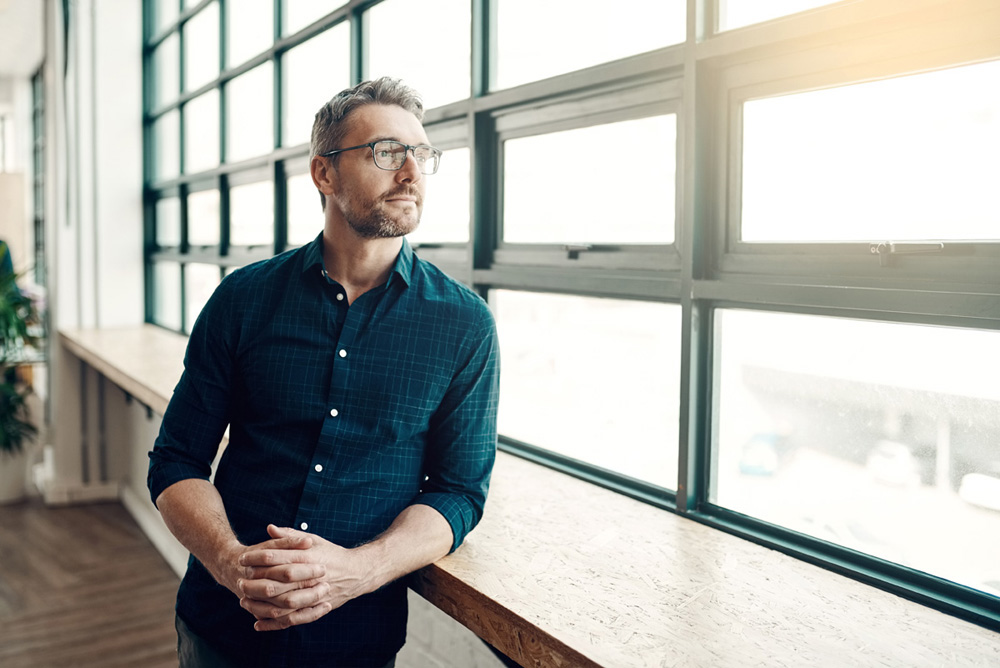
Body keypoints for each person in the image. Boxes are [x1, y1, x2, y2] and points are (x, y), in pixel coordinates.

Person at [147, 77, 500, 668]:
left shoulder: (464, 325)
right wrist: (232, 561)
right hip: (223, 626)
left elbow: (460, 491)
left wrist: (356, 573)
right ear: (324, 174)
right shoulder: (242, 300)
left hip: (355, 638)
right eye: (387, 152)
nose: (411, 172)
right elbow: (176, 458)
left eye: (422, 155)